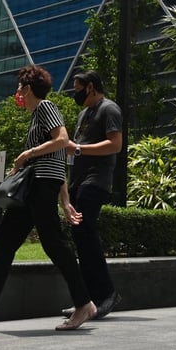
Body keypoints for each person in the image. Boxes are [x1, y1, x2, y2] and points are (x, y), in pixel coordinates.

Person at [0, 65, 96, 333]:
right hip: (36, 187)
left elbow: (62, 140)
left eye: (19, 88)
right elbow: (58, 160)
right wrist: (65, 200)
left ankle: (85, 303)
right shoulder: (37, 116)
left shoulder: (45, 107)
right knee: (4, 244)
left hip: (40, 186)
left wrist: (27, 154)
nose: (17, 93)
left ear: (27, 89)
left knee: (54, 244)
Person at [60, 70, 123, 320]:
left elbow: (115, 144)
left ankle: (107, 294)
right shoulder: (84, 113)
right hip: (78, 180)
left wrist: (78, 149)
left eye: (78, 88)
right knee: (79, 237)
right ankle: (85, 301)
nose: (75, 93)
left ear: (92, 87)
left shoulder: (110, 109)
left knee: (85, 231)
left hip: (96, 180)